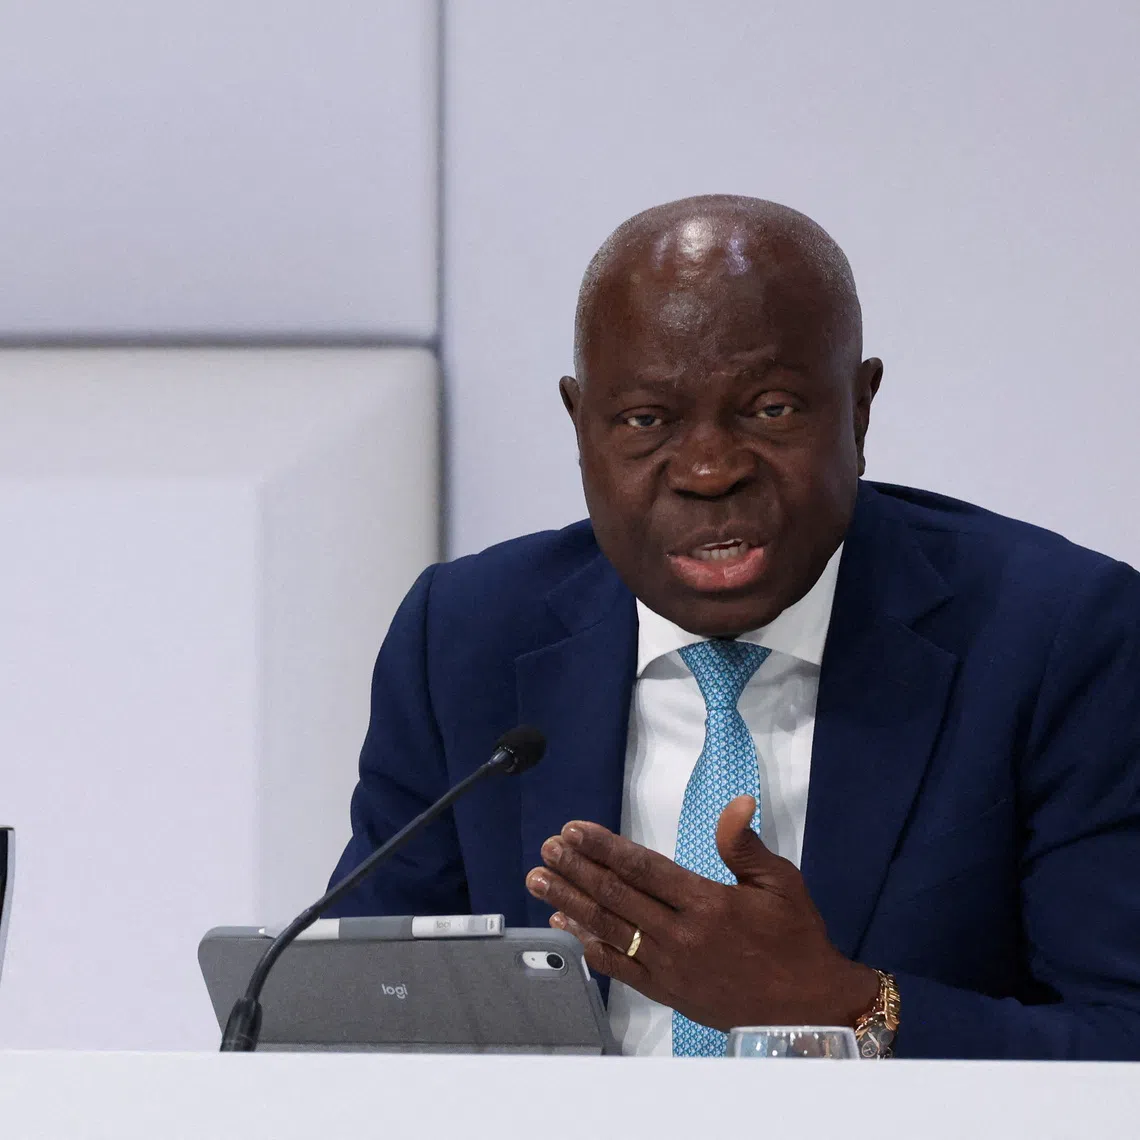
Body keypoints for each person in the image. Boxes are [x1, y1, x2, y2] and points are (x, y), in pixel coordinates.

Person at [328, 194, 1140, 1059]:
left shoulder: (1058, 636)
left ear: (860, 409)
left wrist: (844, 1004)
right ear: (580, 425)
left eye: (773, 409)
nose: (710, 471)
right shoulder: (464, 636)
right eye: (647, 421)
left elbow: (1121, 1037)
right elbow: (360, 1018)